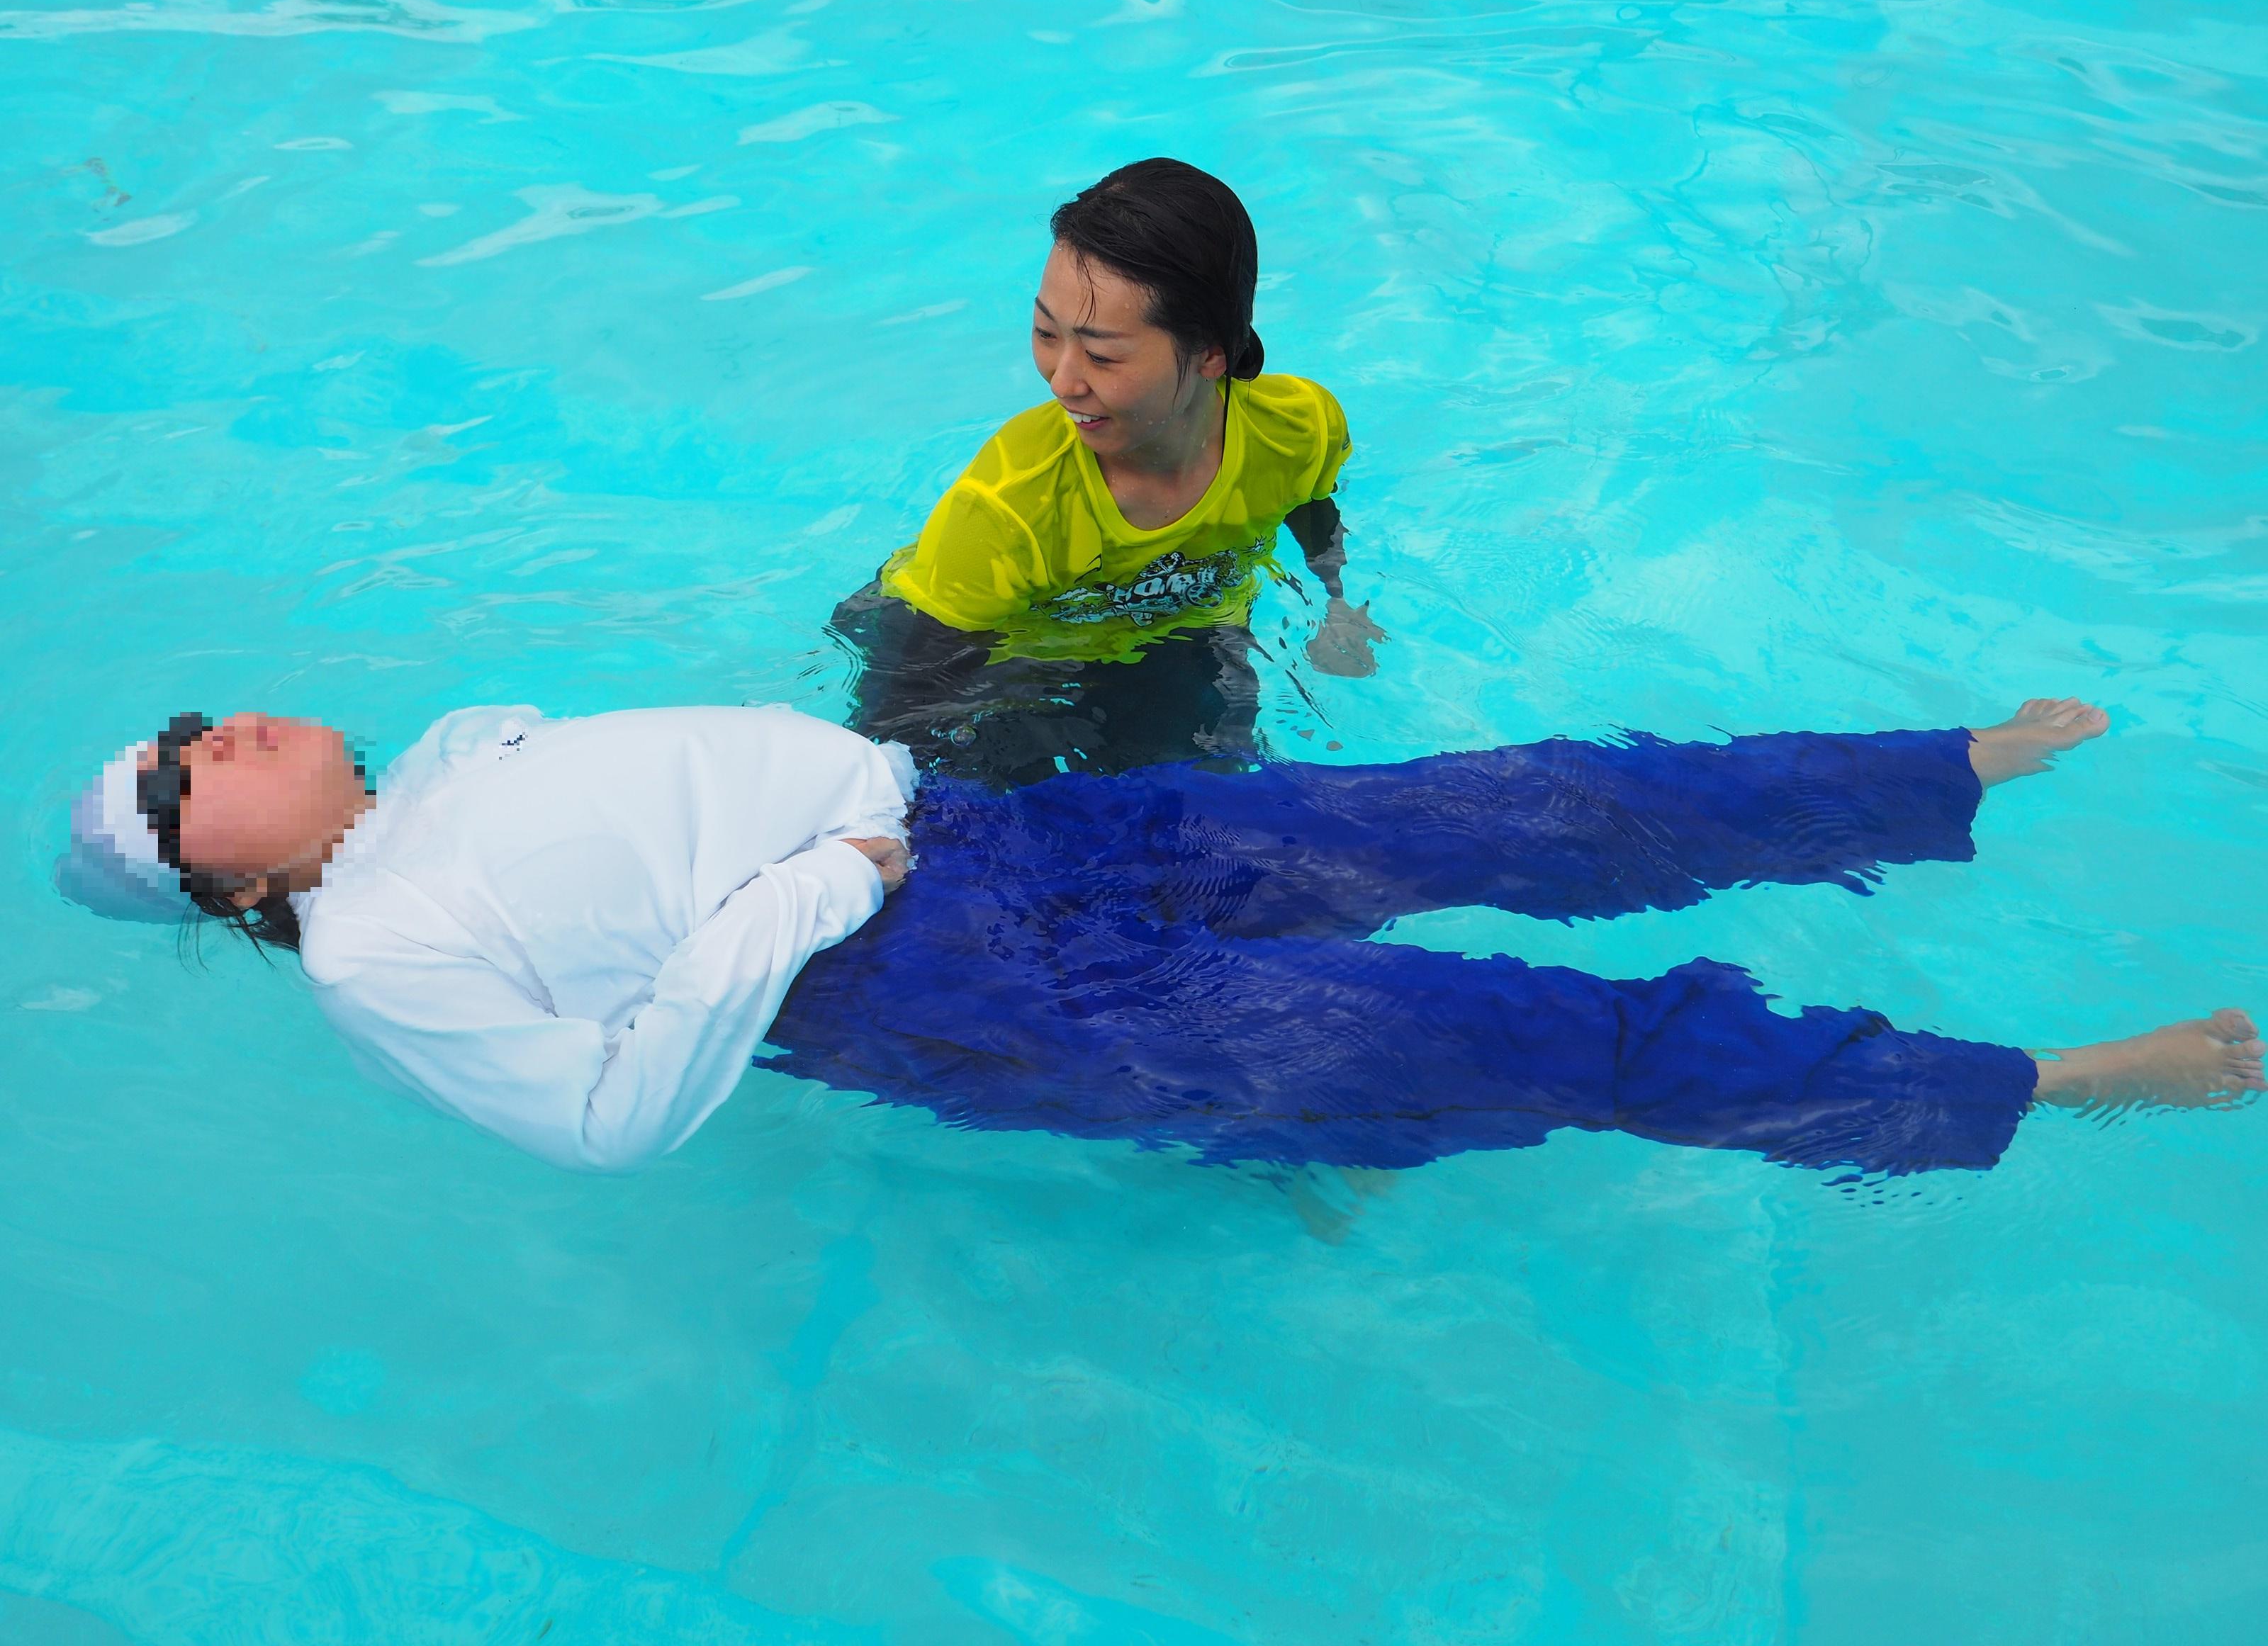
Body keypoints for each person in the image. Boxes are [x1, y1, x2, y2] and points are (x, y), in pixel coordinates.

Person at [59, 697, 2262, 1175]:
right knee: (1531, 1036)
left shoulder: (454, 746)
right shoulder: (367, 954)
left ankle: (1919, 774)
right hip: (943, 967)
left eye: (182, 725)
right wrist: (824, 889)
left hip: (1006, 839)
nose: (204, 734)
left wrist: (862, 810)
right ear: (223, 882)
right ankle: (2058, 1078)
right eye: (179, 783)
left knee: (1482, 809)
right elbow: (611, 1115)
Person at [833, 157, 1383, 788]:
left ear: (1211, 353)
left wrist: (1338, 603)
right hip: (982, 651)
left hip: (1175, 637)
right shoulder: (1009, 505)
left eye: (1101, 355)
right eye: (1045, 332)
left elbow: (1312, 505)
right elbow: (900, 715)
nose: (1063, 382)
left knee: (1214, 797)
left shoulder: (1298, 429)